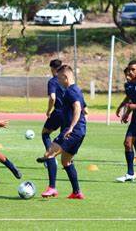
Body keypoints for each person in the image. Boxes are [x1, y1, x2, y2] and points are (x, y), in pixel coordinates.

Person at [36, 65, 87, 199]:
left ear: (65, 77)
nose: (57, 81)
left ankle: (52, 188)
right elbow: (84, 108)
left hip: (72, 131)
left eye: (59, 78)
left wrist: (71, 127)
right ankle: (77, 192)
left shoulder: (71, 91)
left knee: (49, 154)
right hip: (80, 131)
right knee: (66, 161)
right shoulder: (77, 90)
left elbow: (77, 107)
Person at [42, 59, 65, 151]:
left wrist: (48, 110)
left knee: (45, 133)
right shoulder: (66, 80)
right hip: (69, 113)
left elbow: (52, 97)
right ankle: (69, 160)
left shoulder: (53, 81)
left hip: (59, 112)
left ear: (52, 69)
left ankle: (50, 157)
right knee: (65, 136)